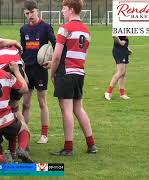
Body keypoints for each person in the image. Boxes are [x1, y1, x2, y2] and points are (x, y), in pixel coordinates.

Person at [50, 0, 97, 156]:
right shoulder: (86, 31)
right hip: (79, 73)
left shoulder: (65, 29)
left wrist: (52, 72)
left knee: (67, 110)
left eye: (63, 8)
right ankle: (91, 144)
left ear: (71, 9)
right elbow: (82, 56)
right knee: (79, 109)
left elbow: (56, 57)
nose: (62, 11)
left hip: (66, 73)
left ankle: (68, 147)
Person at [20, 0, 56, 144]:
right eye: (27, 13)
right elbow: (22, 48)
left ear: (37, 11)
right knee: (26, 104)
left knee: (42, 102)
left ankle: (44, 134)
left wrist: (52, 61)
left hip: (40, 70)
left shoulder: (46, 27)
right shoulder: (23, 29)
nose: (30, 15)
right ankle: (24, 133)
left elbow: (56, 45)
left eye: (32, 12)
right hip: (27, 71)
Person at [104, 36, 132, 100]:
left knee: (123, 73)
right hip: (119, 51)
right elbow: (114, 36)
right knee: (120, 72)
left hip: (124, 50)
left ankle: (122, 94)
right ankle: (108, 92)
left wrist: (127, 47)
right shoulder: (119, 26)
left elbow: (125, 39)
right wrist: (120, 42)